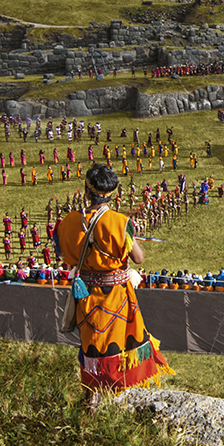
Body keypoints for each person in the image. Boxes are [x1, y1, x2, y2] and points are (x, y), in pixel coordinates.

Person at [55, 163, 173, 409]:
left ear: (87, 191)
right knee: (119, 341)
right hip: (116, 296)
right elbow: (138, 258)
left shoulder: (68, 222)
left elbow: (64, 254)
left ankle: (92, 394)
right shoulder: (120, 222)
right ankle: (120, 386)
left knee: (90, 343)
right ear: (113, 192)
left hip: (85, 294)